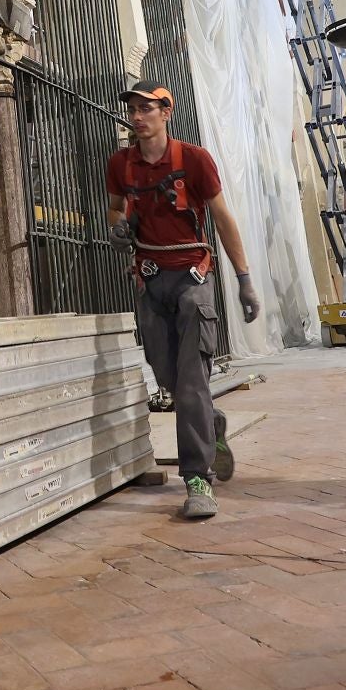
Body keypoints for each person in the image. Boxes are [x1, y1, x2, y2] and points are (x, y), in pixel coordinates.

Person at [105, 80, 262, 520]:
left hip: (193, 278)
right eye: (133, 109)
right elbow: (115, 208)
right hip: (150, 280)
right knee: (169, 380)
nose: (137, 117)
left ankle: (197, 479)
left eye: (146, 109)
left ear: (166, 112)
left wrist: (244, 278)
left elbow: (222, 217)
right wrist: (118, 227)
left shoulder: (193, 160)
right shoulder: (121, 164)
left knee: (192, 380)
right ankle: (211, 427)